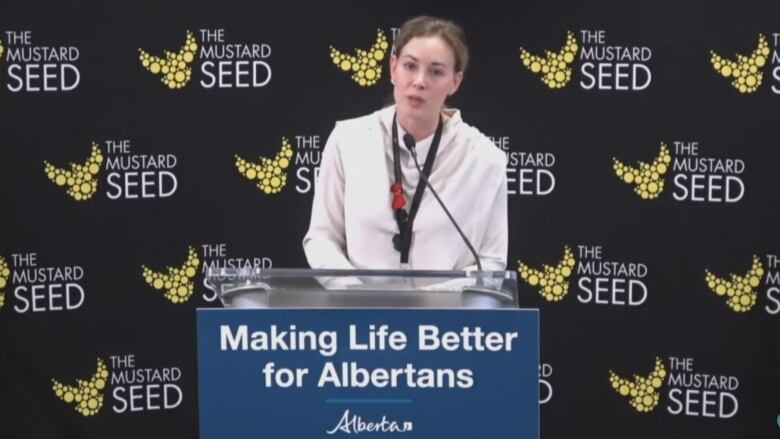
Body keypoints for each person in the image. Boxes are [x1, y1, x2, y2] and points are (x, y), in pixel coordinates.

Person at [303, 16, 507, 271]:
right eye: (410, 66)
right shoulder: (348, 141)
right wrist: (357, 295)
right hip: (359, 308)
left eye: (436, 71)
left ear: (455, 82)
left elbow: (491, 263)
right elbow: (322, 239)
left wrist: (431, 301)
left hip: (446, 311)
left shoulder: (485, 159)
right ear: (393, 68)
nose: (420, 81)